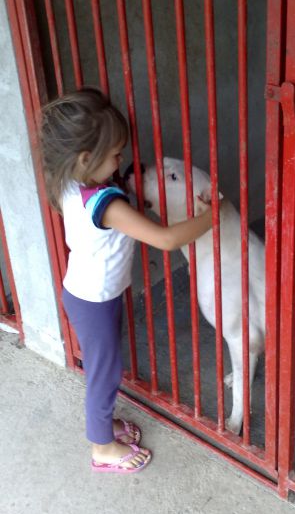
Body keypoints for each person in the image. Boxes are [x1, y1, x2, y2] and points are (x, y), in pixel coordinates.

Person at [40, 87, 215, 474]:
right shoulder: (109, 205)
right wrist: (211, 217)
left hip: (87, 293)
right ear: (87, 158)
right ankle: (101, 447)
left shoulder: (70, 181)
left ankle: (103, 426)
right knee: (106, 371)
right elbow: (166, 239)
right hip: (94, 299)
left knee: (105, 365)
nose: (123, 159)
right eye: (117, 153)